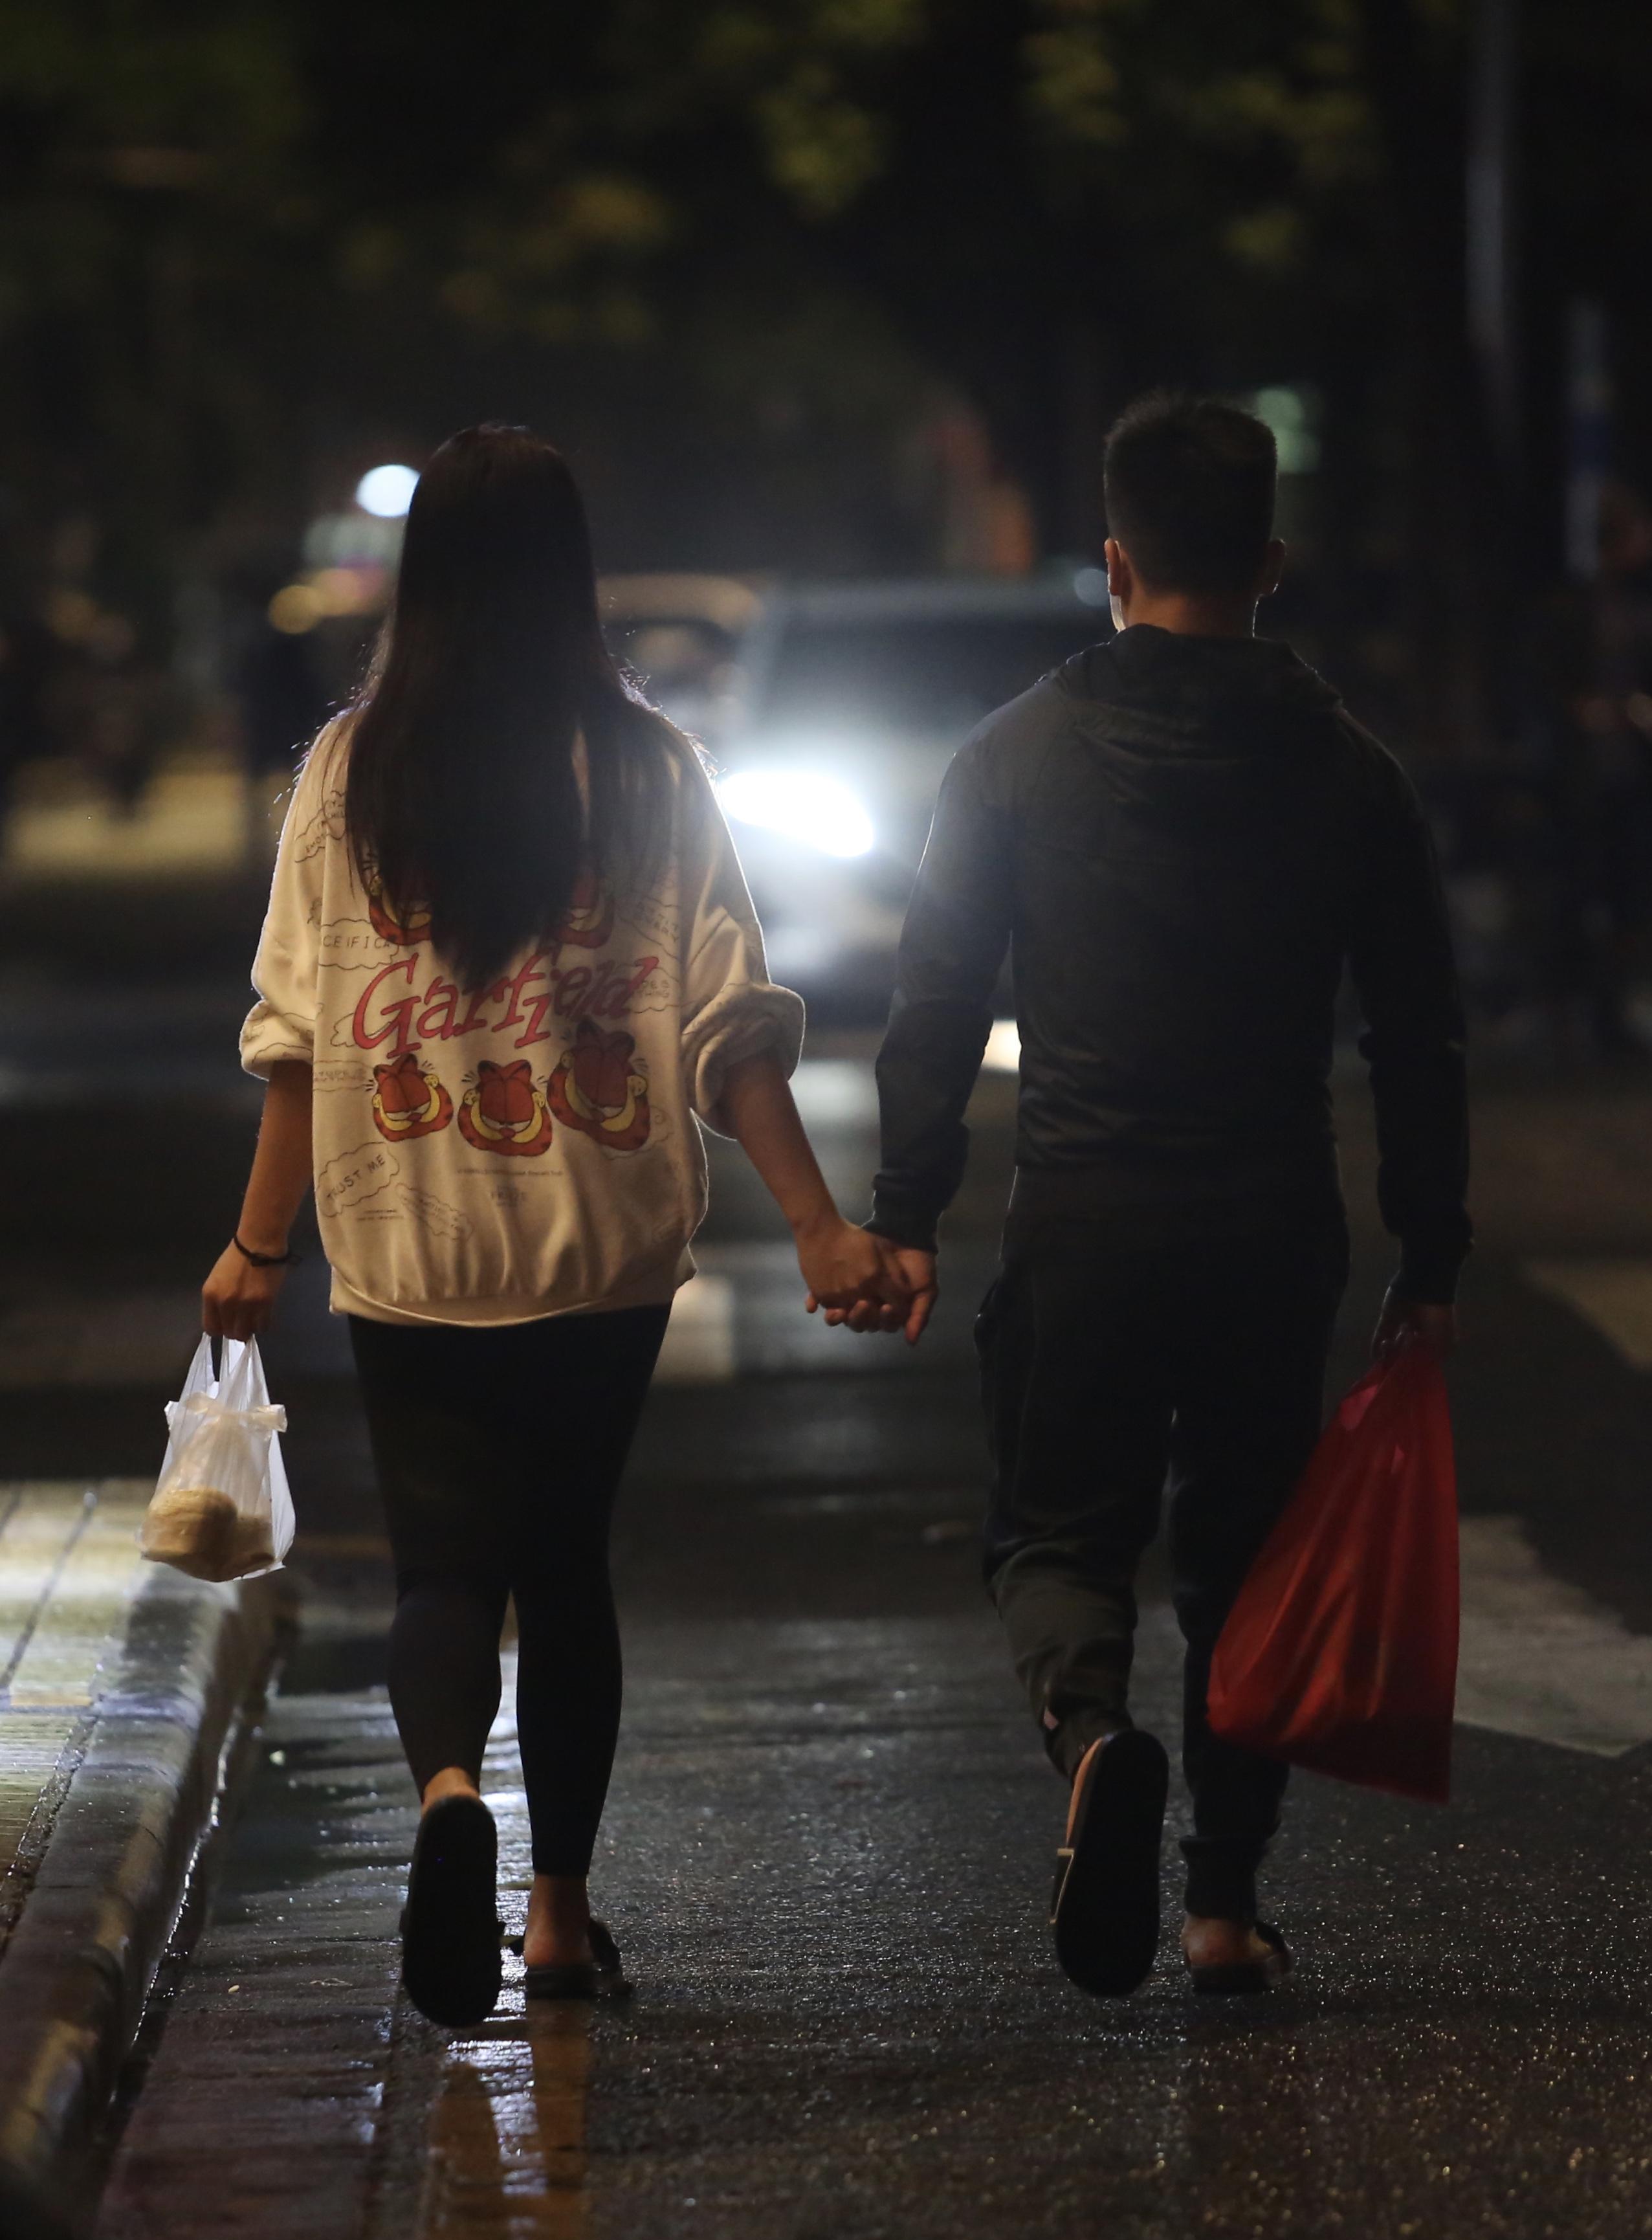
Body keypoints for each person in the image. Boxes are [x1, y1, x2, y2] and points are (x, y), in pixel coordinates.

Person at [203, 425, 910, 2028]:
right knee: (565, 1565)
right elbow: (728, 1023)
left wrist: (259, 1248)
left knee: (444, 1570)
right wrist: (814, 1224)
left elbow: (296, 1036)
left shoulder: (344, 771)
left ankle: (452, 1791)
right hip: (596, 1235)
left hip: (410, 1229)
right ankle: (559, 1919)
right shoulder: (652, 767)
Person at [855, 393, 1470, 1999]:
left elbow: (933, 997)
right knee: (1247, 1564)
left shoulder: (1011, 759)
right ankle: (1217, 1905)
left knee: (1057, 1532)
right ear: (1271, 561)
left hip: (1086, 1214)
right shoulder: (1349, 771)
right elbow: (1416, 1022)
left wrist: (905, 1208)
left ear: (1111, 562)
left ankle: (1088, 1735)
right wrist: (1433, 1240)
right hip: (1273, 1225)